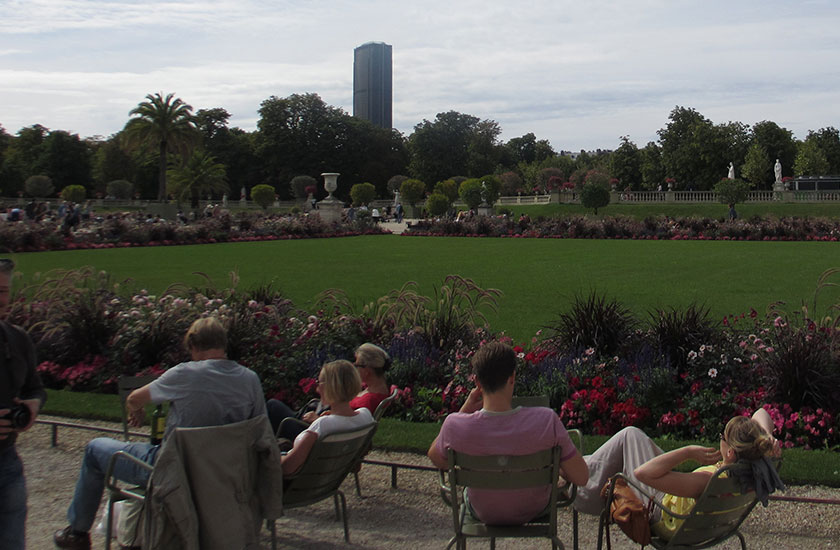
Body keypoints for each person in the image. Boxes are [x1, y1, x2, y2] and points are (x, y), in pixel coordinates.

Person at [54, 317, 267, 550]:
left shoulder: (185, 374)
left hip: (174, 471)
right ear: (223, 345)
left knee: (95, 449)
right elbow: (259, 429)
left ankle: (77, 533)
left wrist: (135, 411)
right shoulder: (250, 379)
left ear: (194, 346)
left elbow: (134, 397)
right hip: (225, 474)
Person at [427, 342, 588, 526]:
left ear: (477, 383)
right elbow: (581, 477)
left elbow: (435, 456)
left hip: (483, 511)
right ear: (512, 378)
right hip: (534, 508)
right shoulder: (546, 421)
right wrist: (555, 467)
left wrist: (464, 411)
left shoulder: (455, 425)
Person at [573, 408, 783, 540]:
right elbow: (762, 412)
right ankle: (578, 469)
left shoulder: (709, 480)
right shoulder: (755, 465)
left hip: (666, 515)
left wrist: (687, 452)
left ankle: (572, 480)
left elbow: (642, 473)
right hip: (700, 522)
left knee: (628, 436)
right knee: (632, 437)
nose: (719, 439)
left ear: (729, 452)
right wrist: (768, 436)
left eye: (722, 436)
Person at [1, 258, 47, 550]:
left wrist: (32, 406)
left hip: (7, 463)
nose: (0, 299)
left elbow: (35, 388)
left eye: (4, 290)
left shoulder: (17, 339)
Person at [267, 343, 391, 439]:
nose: (355, 367)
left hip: (317, 434)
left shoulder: (367, 402)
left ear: (367, 370)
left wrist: (317, 419)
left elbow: (344, 428)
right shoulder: (376, 390)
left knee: (273, 406)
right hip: (324, 424)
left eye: (357, 364)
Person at [280, 360, 374, 476]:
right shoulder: (365, 416)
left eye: (318, 383)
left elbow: (287, 468)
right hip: (328, 481)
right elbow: (356, 466)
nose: (317, 389)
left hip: (297, 486)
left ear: (329, 387)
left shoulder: (323, 425)